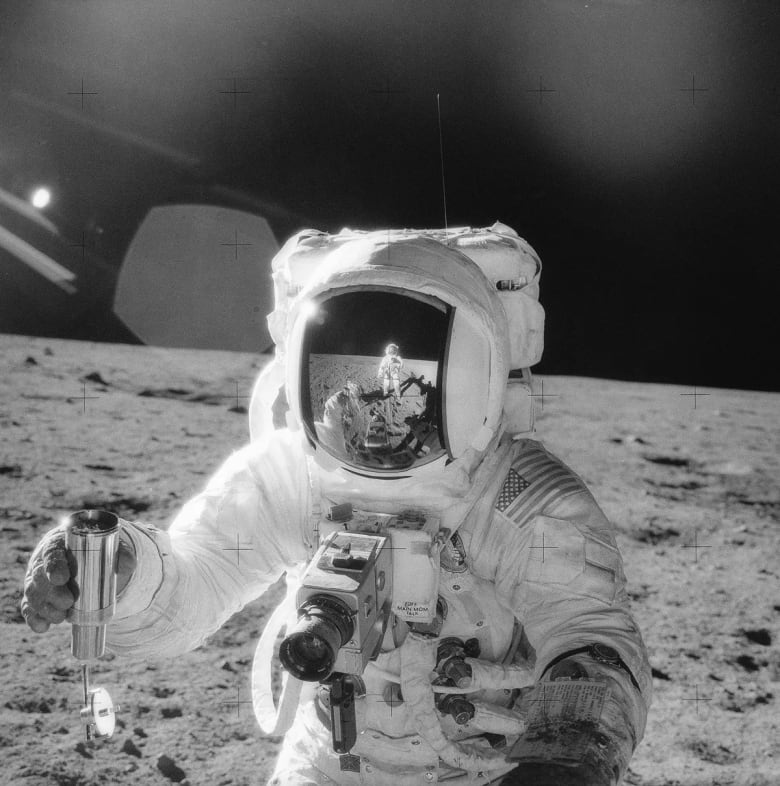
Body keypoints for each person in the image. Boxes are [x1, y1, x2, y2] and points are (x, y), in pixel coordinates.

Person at [22, 224, 651, 785]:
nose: (376, 416)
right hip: (327, 760)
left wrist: (560, 761)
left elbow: (590, 638)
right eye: (348, 384)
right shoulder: (293, 477)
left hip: (492, 768)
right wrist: (128, 574)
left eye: (403, 389)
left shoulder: (516, 494)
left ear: (471, 373)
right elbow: (200, 579)